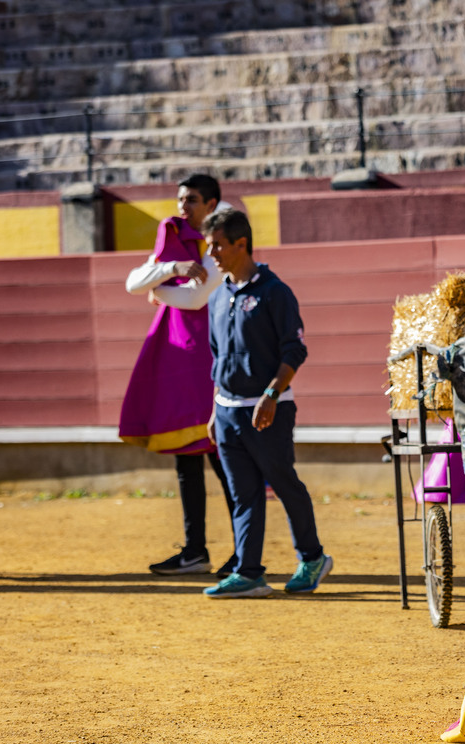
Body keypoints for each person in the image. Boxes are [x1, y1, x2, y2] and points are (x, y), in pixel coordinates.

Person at [201, 208, 331, 599]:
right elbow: (216, 356)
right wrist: (214, 410)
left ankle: (312, 557)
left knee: (283, 481)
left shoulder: (275, 292)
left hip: (268, 409)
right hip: (227, 411)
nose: (213, 254)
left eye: (218, 245)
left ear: (241, 244)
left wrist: (271, 395)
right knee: (243, 494)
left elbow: (294, 351)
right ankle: (249, 572)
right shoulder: (217, 297)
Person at [119, 173, 236, 577]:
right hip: (178, 359)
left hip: (208, 358)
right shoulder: (172, 239)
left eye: (192, 200)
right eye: (180, 199)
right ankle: (195, 550)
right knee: (188, 459)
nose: (183, 206)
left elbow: (196, 296)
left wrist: (161, 289)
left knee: (223, 457)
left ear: (212, 204)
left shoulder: (221, 242)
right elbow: (133, 283)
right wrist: (172, 266)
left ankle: (244, 550)